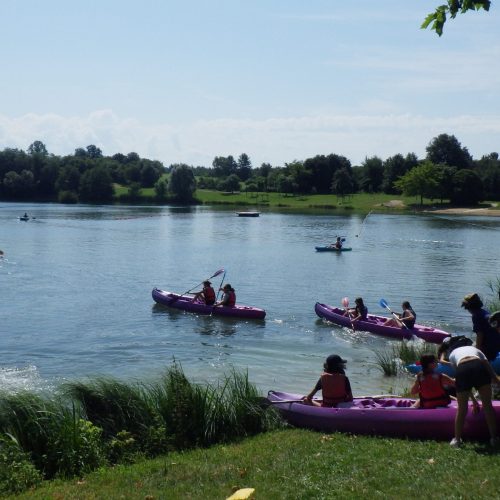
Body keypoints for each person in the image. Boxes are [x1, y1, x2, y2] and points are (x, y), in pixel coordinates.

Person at [439, 343, 500, 447]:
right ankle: (494, 438)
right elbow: (488, 367)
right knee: (488, 406)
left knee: (462, 408)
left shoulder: (453, 354)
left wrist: (473, 401)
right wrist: (496, 380)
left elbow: (463, 380)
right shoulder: (476, 350)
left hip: (463, 368)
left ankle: (457, 440)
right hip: (479, 366)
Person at [462, 293, 500, 361]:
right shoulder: (484, 311)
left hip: (489, 350)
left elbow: (480, 335)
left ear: (467, 307)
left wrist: (477, 352)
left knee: (469, 350)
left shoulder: (476, 315)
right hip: (496, 345)